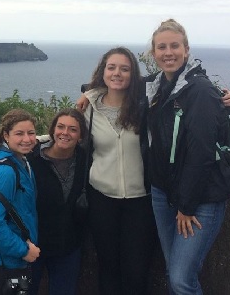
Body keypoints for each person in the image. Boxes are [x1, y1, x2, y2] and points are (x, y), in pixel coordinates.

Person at [147, 19, 230, 294]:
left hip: (200, 200)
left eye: (175, 46)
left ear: (186, 50)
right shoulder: (156, 87)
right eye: (162, 47)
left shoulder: (200, 91)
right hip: (163, 192)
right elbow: (118, 81)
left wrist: (186, 205)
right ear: (154, 54)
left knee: (181, 279)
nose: (168, 52)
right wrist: (88, 93)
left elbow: (201, 153)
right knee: (176, 270)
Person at [81, 46, 157, 295]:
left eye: (125, 69)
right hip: (101, 198)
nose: (117, 73)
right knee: (108, 266)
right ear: (103, 71)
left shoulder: (145, 104)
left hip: (140, 200)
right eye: (111, 67)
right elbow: (66, 138)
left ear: (133, 74)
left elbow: (177, 84)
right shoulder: (88, 109)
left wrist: (223, 95)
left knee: (137, 270)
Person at [0, 108, 41, 295]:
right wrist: (23, 250)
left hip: (13, 260)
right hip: (5, 263)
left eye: (31, 133)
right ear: (6, 135)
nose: (27, 139)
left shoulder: (21, 162)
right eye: (19, 134)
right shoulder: (4, 172)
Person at [26, 108, 89, 295]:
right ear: (52, 130)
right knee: (20, 292)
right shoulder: (31, 158)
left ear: (80, 136)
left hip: (67, 247)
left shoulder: (86, 161)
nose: (65, 133)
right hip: (29, 247)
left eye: (73, 129)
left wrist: (89, 93)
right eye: (60, 127)